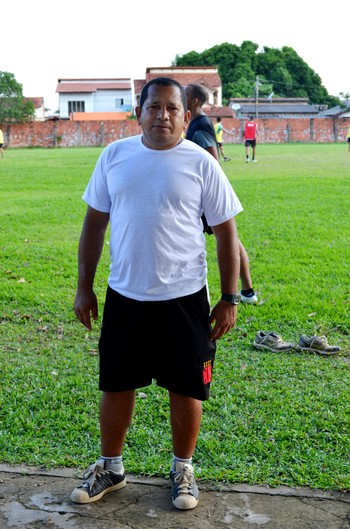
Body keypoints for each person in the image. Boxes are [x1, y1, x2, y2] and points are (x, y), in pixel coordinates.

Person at [71, 77, 243, 510]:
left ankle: (182, 468)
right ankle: (111, 467)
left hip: (185, 297)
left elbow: (226, 234)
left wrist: (229, 297)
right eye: (154, 107)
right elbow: (94, 225)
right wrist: (83, 287)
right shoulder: (115, 156)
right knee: (116, 383)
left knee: (186, 387)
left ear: (186, 116)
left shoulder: (202, 163)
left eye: (171, 108)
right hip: (125, 294)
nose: (162, 116)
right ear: (139, 112)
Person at [185, 84, 258, 304]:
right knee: (229, 239)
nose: (181, 97)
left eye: (184, 95)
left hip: (206, 192)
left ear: (194, 101)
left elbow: (213, 161)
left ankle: (247, 291)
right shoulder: (195, 123)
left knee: (229, 239)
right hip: (198, 191)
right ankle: (247, 291)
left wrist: (211, 195)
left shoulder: (201, 124)